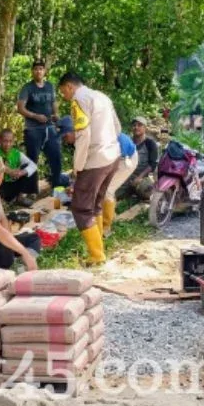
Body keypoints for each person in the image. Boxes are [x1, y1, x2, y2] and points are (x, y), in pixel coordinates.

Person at [57, 72, 121, 265]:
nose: (64, 96)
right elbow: (117, 127)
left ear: (69, 87)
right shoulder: (102, 96)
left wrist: (78, 166)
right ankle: (99, 246)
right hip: (112, 155)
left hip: (95, 159)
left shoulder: (79, 100)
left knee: (81, 208)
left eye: (63, 92)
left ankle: (96, 255)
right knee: (96, 204)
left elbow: (83, 135)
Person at [17, 59, 62, 192]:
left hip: (49, 127)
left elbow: (53, 102)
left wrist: (56, 114)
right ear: (32, 71)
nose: (38, 71)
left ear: (44, 71)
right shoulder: (27, 87)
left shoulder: (50, 86)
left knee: (56, 156)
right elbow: (20, 108)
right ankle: (32, 191)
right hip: (32, 129)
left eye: (41, 69)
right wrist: (35, 116)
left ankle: (57, 186)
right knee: (32, 161)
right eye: (36, 69)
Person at [102, 132, 138, 236]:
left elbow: (116, 160)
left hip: (127, 159)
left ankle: (106, 227)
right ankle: (111, 214)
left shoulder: (111, 136)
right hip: (116, 157)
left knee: (108, 190)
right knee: (105, 186)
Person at [0, 129, 38, 205]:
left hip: (14, 183)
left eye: (10, 141)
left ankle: (19, 198)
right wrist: (10, 171)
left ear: (13, 141)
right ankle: (2, 199)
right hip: (1, 186)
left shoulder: (17, 153)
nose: (7, 144)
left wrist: (21, 173)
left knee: (29, 168)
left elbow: (33, 166)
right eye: (5, 141)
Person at [117, 116, 158, 200]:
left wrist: (140, 177)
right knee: (114, 194)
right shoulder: (128, 142)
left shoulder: (150, 143)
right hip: (126, 176)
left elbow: (152, 164)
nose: (136, 127)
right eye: (134, 125)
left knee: (148, 192)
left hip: (141, 178)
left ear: (145, 128)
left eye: (139, 125)